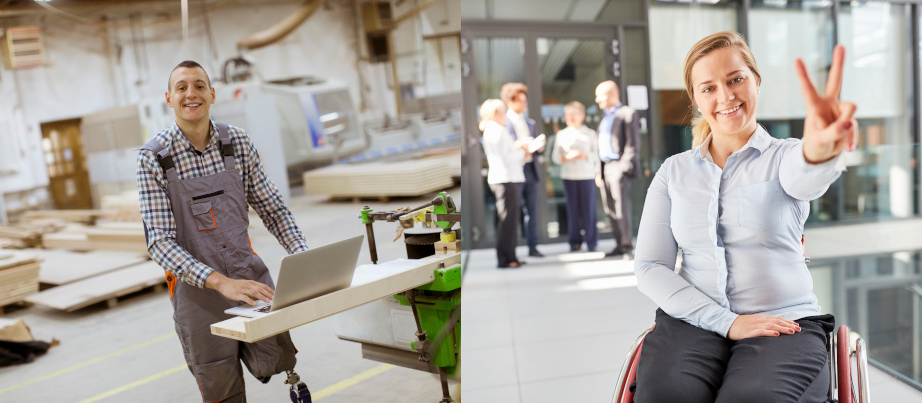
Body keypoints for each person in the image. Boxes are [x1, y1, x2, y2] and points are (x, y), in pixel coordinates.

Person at [632, 32, 858, 402]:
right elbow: (650, 266)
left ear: (756, 80)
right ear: (696, 99)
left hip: (785, 324)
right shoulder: (674, 172)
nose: (726, 96)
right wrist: (728, 322)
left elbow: (806, 174)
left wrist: (821, 148)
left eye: (735, 79)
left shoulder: (786, 156)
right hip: (693, 320)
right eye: (709, 88)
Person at [137, 61, 308, 402]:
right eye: (182, 87)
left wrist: (304, 256)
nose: (191, 94)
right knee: (222, 391)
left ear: (212, 94)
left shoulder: (237, 143)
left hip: (250, 281)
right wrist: (220, 282)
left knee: (276, 360)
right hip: (198, 298)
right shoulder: (153, 159)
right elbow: (158, 242)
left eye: (199, 85)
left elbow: (272, 208)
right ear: (169, 98)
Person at [480, 99, 531, 268]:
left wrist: (516, 148)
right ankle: (505, 259)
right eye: (503, 113)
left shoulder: (494, 130)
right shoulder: (497, 131)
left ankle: (511, 256)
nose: (505, 116)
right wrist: (522, 151)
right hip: (506, 179)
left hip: (506, 178)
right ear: (495, 114)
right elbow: (506, 158)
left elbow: (505, 152)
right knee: (507, 221)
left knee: (509, 220)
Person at [594, 80, 640, 257]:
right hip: (605, 168)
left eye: (600, 96)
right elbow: (600, 146)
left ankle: (627, 245)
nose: (597, 100)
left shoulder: (628, 114)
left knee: (621, 208)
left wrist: (623, 167)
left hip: (617, 166)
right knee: (610, 209)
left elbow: (632, 143)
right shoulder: (605, 116)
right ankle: (619, 244)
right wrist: (599, 171)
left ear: (612, 94)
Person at [500, 82, 545, 258]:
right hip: (513, 171)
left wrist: (536, 147)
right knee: (512, 213)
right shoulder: (504, 123)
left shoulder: (530, 123)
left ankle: (532, 246)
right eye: (521, 101)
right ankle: (512, 250)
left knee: (531, 211)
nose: (525, 104)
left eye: (525, 100)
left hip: (530, 170)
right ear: (510, 101)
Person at [551, 101, 600, 252]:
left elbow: (597, 155)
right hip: (569, 176)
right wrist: (565, 157)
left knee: (589, 210)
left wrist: (583, 155)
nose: (569, 118)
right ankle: (575, 242)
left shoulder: (590, 134)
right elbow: (555, 157)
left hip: (586, 175)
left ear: (582, 115)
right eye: (567, 115)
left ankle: (592, 242)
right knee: (572, 210)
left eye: (573, 114)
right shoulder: (561, 134)